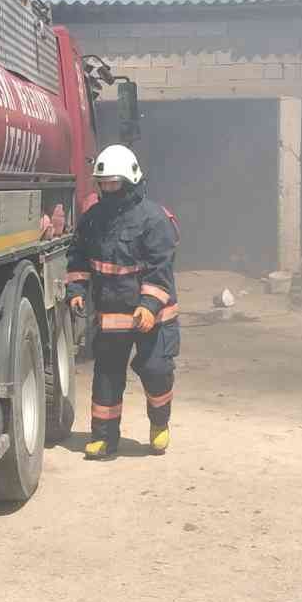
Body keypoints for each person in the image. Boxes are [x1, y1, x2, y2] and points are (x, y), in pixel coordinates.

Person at [64, 145, 180, 460]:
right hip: (112, 316)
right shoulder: (93, 219)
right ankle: (103, 439)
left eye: (114, 183)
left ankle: (159, 424)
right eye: (104, 183)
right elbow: (78, 256)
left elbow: (161, 268)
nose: (108, 189)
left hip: (153, 318)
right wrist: (76, 290)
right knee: (107, 377)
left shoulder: (155, 219)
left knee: (156, 371)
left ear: (130, 180)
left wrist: (149, 305)